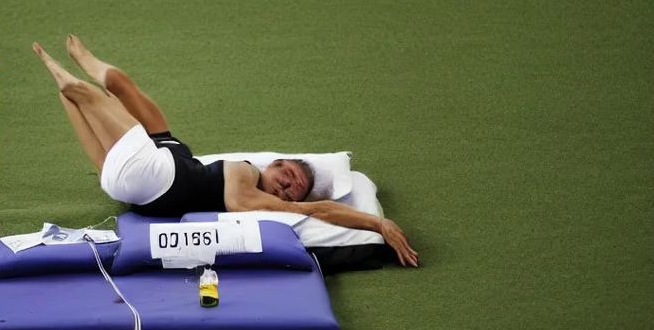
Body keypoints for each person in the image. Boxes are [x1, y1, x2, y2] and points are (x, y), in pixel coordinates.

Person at [33, 36, 421, 267]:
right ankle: (86, 66)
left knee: (89, 97)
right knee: (121, 90)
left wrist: (377, 224)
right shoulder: (247, 168)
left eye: (293, 190)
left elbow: (317, 210)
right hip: (152, 171)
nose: (288, 189)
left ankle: (64, 73)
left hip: (155, 179)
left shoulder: (255, 196)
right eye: (290, 176)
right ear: (276, 162)